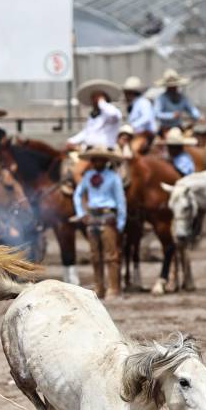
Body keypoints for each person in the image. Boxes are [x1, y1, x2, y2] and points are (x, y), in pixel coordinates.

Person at [73, 146, 127, 300]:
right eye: (94, 159)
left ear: (106, 160)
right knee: (95, 255)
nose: (97, 162)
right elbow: (78, 195)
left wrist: (121, 220)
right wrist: (81, 213)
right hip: (92, 216)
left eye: (100, 159)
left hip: (107, 214)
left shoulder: (113, 177)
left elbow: (120, 199)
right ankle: (99, 287)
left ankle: (114, 288)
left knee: (111, 254)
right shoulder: (87, 176)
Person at [66, 79, 122, 150]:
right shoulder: (92, 116)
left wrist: (102, 102)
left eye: (97, 98)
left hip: (106, 150)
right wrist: (72, 141)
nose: (95, 101)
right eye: (93, 98)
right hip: (90, 149)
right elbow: (87, 132)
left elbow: (113, 114)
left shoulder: (112, 113)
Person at [121, 76, 156, 150]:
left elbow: (147, 117)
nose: (125, 95)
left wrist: (132, 126)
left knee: (133, 150)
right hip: (136, 134)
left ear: (132, 93)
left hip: (145, 134)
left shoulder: (143, 102)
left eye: (126, 93)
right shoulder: (134, 104)